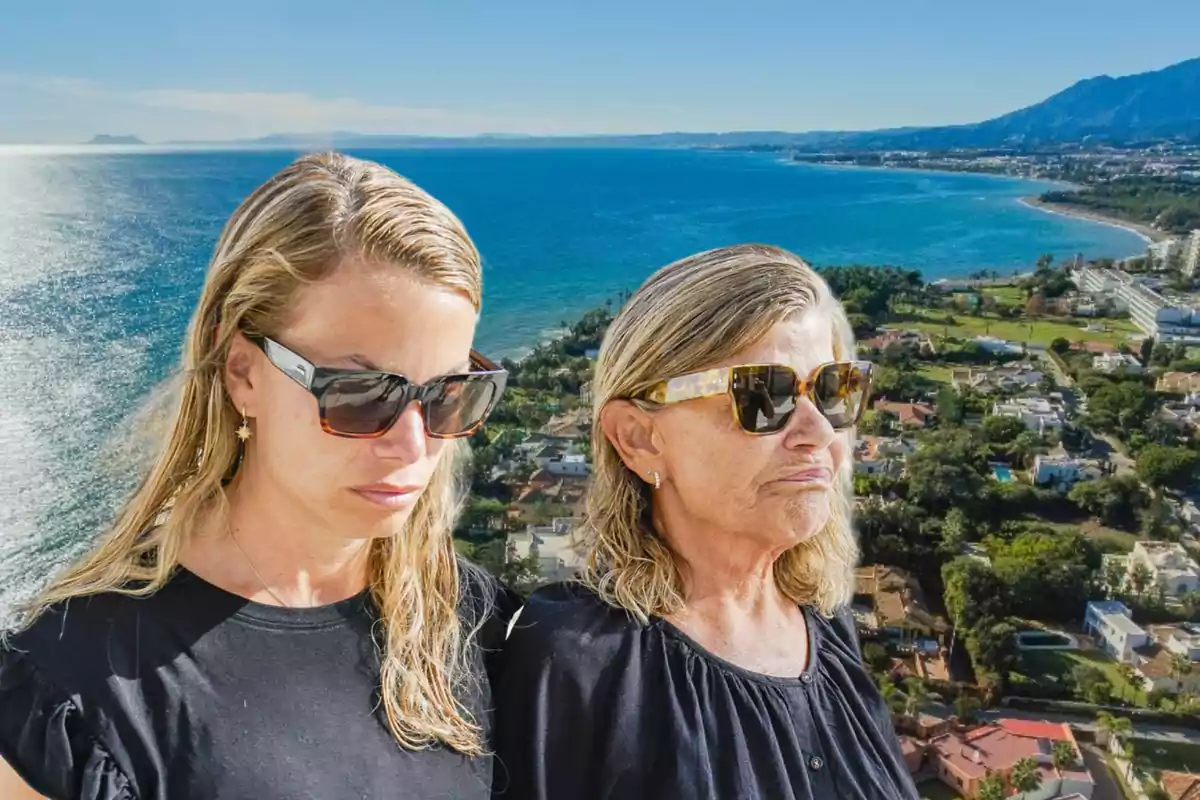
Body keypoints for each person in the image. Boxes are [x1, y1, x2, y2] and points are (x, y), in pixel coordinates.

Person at [0, 152, 516, 800]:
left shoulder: (481, 629)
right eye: (359, 392)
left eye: (448, 394)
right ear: (243, 372)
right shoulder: (76, 693)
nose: (412, 443)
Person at [493, 244, 919, 800]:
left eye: (835, 389)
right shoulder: (574, 667)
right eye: (765, 394)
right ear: (639, 437)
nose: (818, 431)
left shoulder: (829, 631)